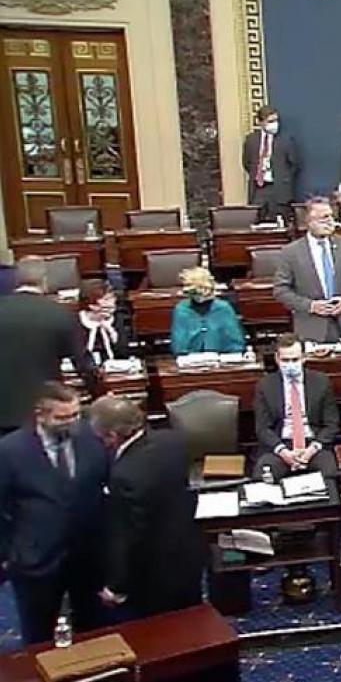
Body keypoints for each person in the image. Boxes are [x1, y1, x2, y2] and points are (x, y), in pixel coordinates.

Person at [0, 383, 109, 644]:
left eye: (75, 415)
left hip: (86, 555)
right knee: (38, 634)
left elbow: (102, 487)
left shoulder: (90, 438)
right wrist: (6, 554)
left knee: (93, 629)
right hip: (35, 557)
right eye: (63, 417)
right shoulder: (10, 450)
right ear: (40, 415)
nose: (71, 423)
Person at [90, 395, 204, 619]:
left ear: (112, 435)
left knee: (158, 636)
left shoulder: (124, 476)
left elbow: (129, 536)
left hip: (152, 573)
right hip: (188, 554)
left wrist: (116, 586)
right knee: (191, 625)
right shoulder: (173, 442)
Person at [0, 257, 100, 436]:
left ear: (16, 280)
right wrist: (99, 392)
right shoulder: (59, 314)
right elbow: (82, 363)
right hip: (42, 408)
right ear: (45, 280)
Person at [274, 198, 341, 342]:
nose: (329, 222)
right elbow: (281, 290)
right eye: (323, 218)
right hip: (311, 328)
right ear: (308, 222)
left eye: (331, 216)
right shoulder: (290, 252)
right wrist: (310, 306)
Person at [252, 333, 340, 480]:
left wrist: (311, 450)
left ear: (304, 358)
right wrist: (284, 452)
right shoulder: (265, 386)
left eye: (295, 359)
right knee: (262, 477)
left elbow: (331, 425)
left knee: (331, 476)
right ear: (277, 359)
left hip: (314, 444)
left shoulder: (321, 382)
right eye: (285, 360)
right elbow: (262, 428)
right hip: (280, 446)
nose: (290, 364)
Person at [242, 104, 301, 224]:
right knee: (258, 221)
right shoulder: (251, 140)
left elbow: (294, 164)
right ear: (260, 122)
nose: (275, 124)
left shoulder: (286, 140)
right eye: (270, 121)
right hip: (259, 190)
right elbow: (247, 163)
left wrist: (284, 178)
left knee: (281, 223)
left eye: (276, 120)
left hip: (279, 189)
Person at [170, 266, 246, 356]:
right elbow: (178, 344)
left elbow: (235, 342)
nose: (185, 289)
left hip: (223, 359)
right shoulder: (181, 310)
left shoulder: (224, 308)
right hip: (191, 361)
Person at [77, 279, 130, 364]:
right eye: (106, 299)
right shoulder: (74, 323)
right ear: (91, 304)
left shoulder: (119, 319)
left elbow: (123, 352)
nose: (112, 303)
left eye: (112, 298)